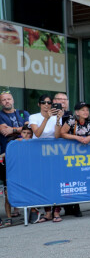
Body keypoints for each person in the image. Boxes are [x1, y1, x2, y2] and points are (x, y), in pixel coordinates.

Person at [28, 94, 64, 222]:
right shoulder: (34, 117)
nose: (47, 105)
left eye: (49, 103)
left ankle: (56, 211)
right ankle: (47, 212)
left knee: (55, 180)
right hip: (38, 152)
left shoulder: (55, 117)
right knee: (43, 182)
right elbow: (37, 133)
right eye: (43, 102)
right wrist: (46, 118)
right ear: (39, 104)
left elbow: (57, 136)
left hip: (53, 152)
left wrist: (58, 120)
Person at [0, 90, 30, 225]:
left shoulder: (23, 113)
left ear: (13, 100)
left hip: (24, 153)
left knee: (24, 181)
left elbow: (28, 128)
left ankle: (23, 209)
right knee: (8, 184)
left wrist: (12, 129)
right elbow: (3, 131)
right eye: (3, 100)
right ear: (1, 103)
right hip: (6, 153)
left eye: (8, 99)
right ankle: (9, 216)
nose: (7, 101)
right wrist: (20, 129)